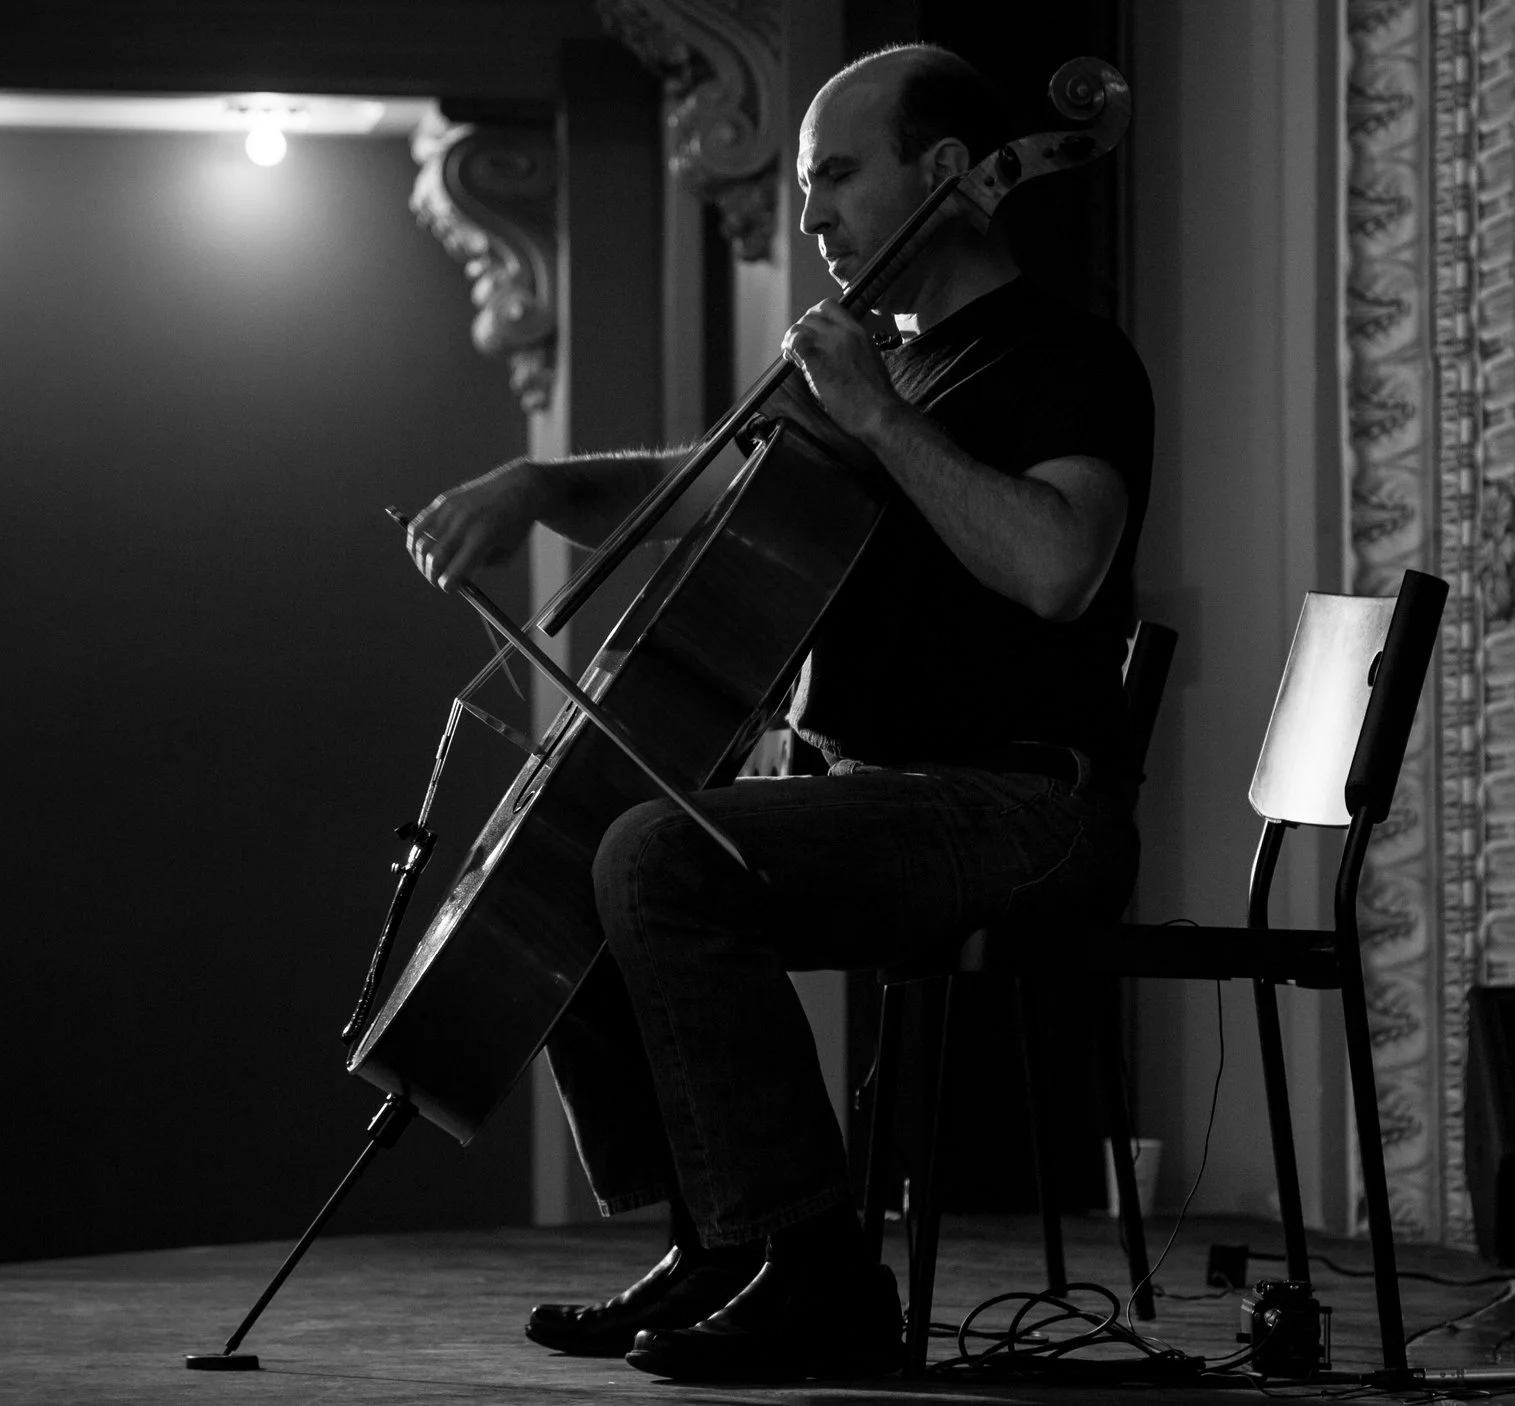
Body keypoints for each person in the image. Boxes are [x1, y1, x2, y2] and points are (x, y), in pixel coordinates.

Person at [404, 42, 1153, 1383]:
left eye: (837, 178)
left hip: (1021, 805)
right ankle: (718, 1236)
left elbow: (1056, 567)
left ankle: (812, 1269)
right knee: (586, 838)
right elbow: (687, 494)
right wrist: (533, 483)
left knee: (657, 854)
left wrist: (872, 411)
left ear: (946, 178)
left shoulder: (1065, 358)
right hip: (878, 791)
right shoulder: (886, 374)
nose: (813, 217)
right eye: (805, 188)